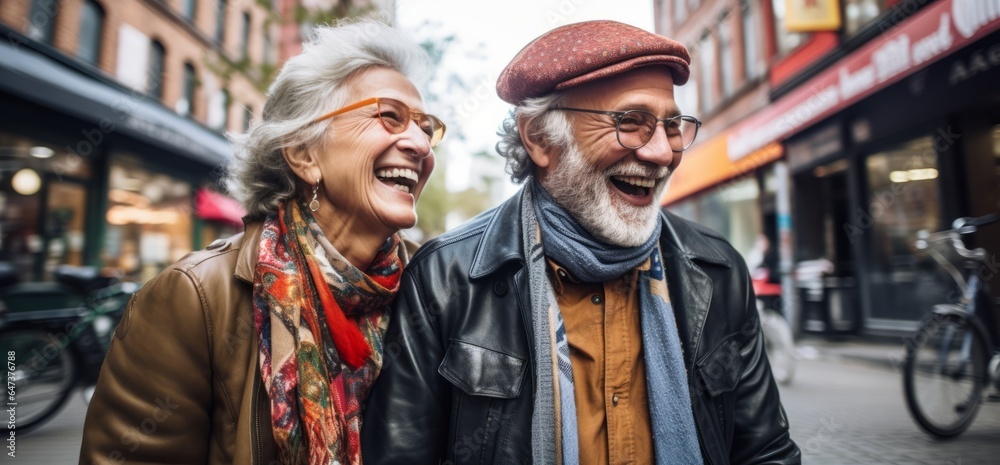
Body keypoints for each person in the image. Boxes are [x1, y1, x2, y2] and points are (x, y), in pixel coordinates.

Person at [362, 20, 801, 465]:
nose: (661, 153)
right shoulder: (447, 278)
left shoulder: (717, 269)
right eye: (631, 122)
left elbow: (766, 451)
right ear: (538, 138)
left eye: (672, 125)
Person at [79, 20, 444, 465]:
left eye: (426, 127)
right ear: (305, 154)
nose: (420, 144)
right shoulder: (193, 298)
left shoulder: (436, 292)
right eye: (391, 116)